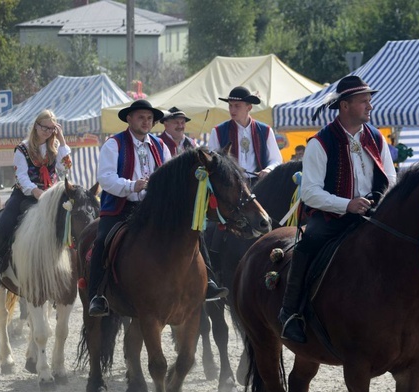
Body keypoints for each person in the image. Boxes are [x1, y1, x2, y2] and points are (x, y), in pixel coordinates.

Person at [278, 75, 397, 343]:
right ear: (345, 106)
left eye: (370, 100)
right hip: (331, 218)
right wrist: (347, 205)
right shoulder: (320, 143)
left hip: (372, 215)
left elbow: (391, 178)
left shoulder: (377, 138)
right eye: (364, 101)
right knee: (307, 245)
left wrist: (377, 198)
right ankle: (290, 312)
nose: (370, 106)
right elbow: (309, 193)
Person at [87, 99, 172, 316]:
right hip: (120, 207)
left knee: (188, 231)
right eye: (141, 117)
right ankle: (97, 295)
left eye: (149, 118)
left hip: (153, 210)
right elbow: (105, 179)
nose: (146, 122)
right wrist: (132, 186)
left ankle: (205, 280)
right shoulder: (113, 144)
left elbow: (170, 178)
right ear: (129, 118)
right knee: (102, 240)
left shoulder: (160, 146)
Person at [0, 109, 72, 290]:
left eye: (51, 128)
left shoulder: (54, 148)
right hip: (25, 194)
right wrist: (36, 191)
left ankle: (69, 266)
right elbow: (21, 177)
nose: (47, 131)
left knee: (71, 218)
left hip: (51, 195)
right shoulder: (22, 148)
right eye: (44, 127)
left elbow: (66, 167)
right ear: (36, 126)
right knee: (5, 222)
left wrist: (61, 140)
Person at [159, 106, 229, 301]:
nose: (180, 125)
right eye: (175, 121)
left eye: (183, 121)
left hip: (192, 205)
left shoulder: (194, 145)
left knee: (200, 233)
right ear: (165, 123)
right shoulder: (159, 144)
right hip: (164, 203)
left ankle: (209, 280)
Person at [207, 86, 282, 183]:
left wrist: (268, 170)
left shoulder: (265, 131)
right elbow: (212, 161)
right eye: (230, 105)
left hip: (259, 184)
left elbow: (276, 159)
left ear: (249, 107)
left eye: (237, 106)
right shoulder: (218, 131)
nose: (232, 110)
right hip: (231, 186)